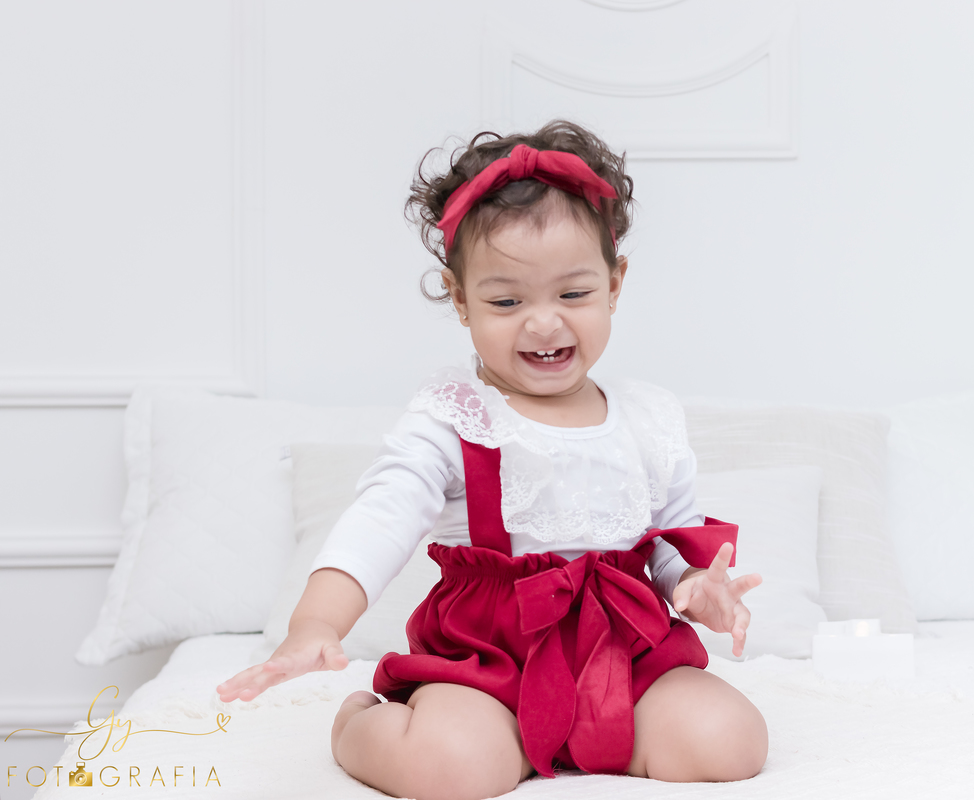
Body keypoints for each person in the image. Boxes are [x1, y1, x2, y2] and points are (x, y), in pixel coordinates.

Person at [216, 120, 768, 800]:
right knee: (453, 769)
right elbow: (379, 521)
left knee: (731, 741)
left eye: (573, 294)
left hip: (625, 651)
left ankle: (604, 736)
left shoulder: (649, 418)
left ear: (615, 284)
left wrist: (696, 585)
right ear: (460, 299)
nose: (543, 322)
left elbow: (675, 538)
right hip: (490, 660)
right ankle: (359, 727)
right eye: (507, 301)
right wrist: (314, 625)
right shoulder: (455, 415)